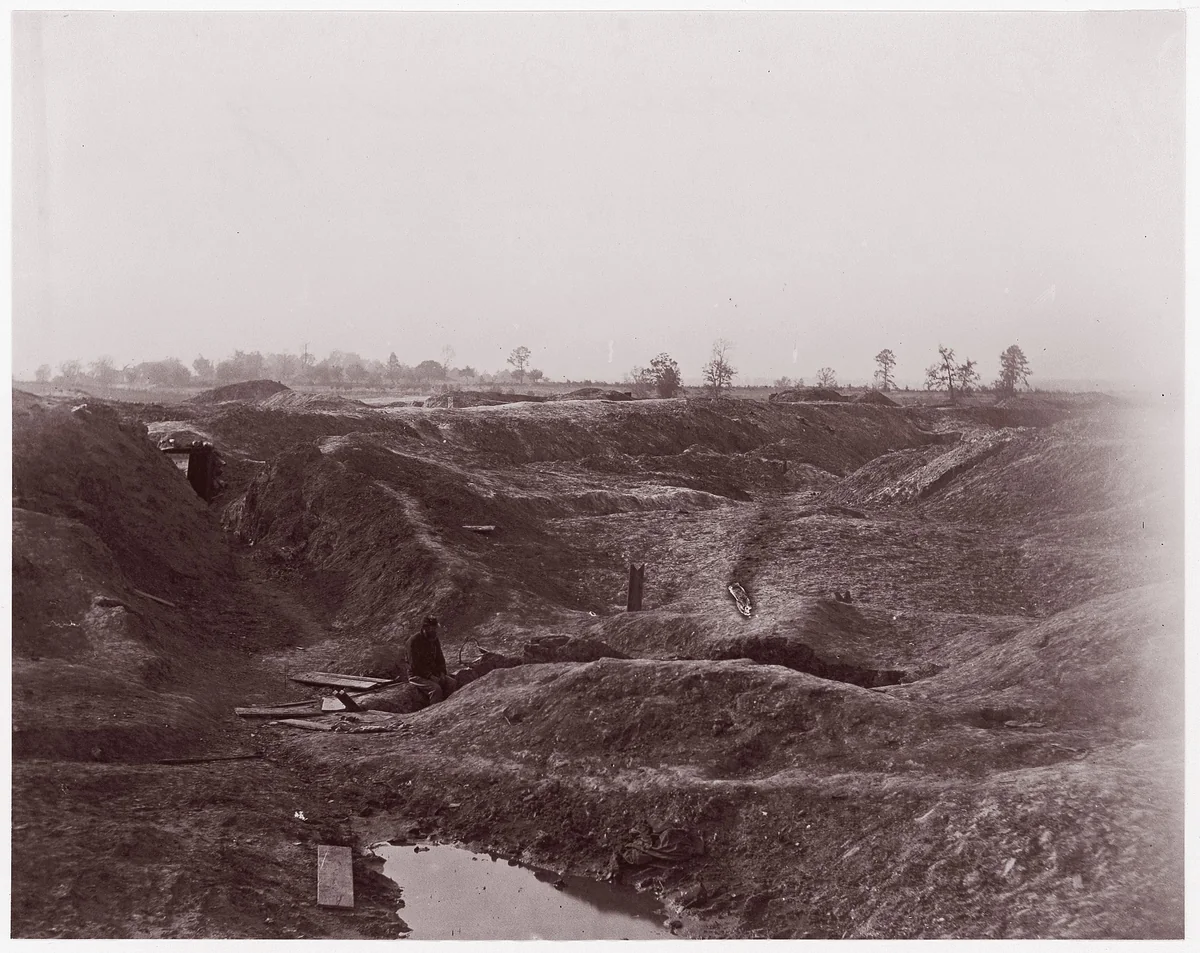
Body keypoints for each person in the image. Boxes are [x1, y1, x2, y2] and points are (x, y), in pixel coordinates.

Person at [407, 616, 456, 705]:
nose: (434, 631)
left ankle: (449, 706)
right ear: (425, 628)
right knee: (435, 689)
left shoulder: (434, 639)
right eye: (431, 628)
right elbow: (415, 665)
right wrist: (430, 676)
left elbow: (440, 658)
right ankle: (435, 711)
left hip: (434, 673)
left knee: (452, 683)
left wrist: (441, 673)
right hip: (417, 675)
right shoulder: (413, 641)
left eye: (435, 628)